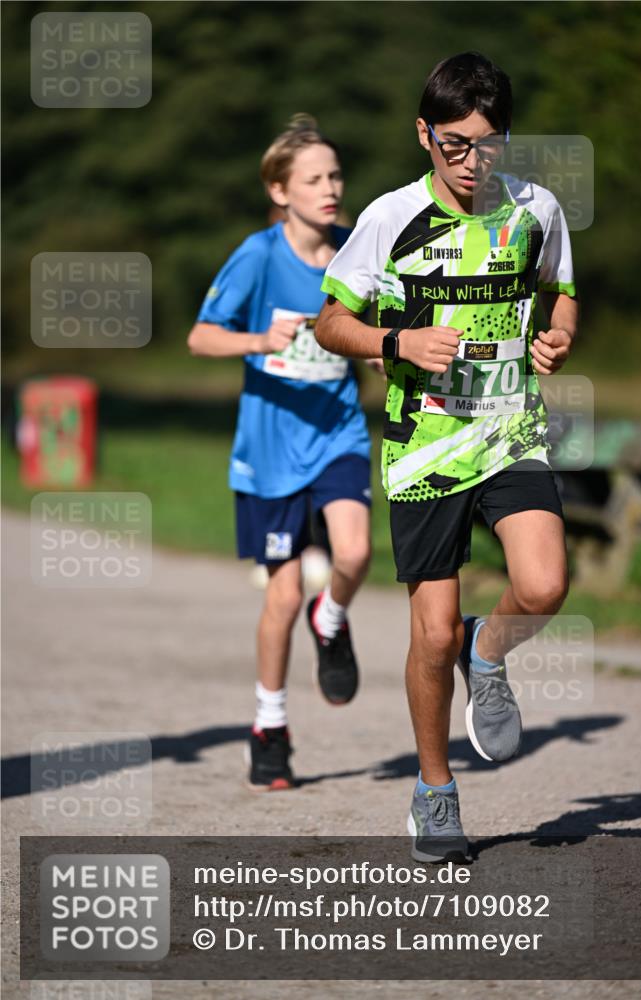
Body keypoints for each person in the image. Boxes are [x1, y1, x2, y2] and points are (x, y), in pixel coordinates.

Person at [316, 53, 578, 861]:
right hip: (424, 446)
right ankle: (434, 792)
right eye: (454, 144)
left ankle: (486, 649)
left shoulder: (534, 209)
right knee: (429, 635)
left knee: (544, 584)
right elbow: (331, 322)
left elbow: (559, 290)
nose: (470, 162)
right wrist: (395, 342)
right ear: (423, 134)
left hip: (509, 432)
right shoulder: (390, 217)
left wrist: (558, 334)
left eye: (487, 144)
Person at [187, 115, 372, 792]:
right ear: (279, 191)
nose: (330, 189)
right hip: (269, 451)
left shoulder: (355, 249)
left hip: (337, 431)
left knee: (353, 553)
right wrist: (259, 341)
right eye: (313, 179)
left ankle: (334, 616)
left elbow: (374, 329)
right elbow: (200, 337)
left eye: (335, 176)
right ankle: (269, 727)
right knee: (284, 595)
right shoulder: (258, 255)